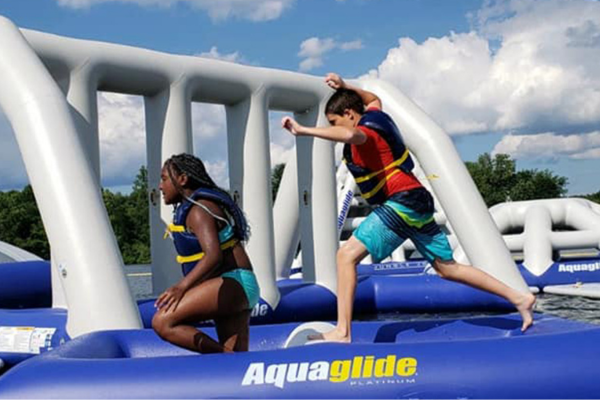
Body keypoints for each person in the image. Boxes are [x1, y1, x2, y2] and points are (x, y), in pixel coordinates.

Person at [281, 73, 536, 343]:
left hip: (402, 201)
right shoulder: (374, 114)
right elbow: (373, 98)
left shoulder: (365, 133)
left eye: (333, 121)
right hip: (417, 201)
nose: (333, 129)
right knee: (447, 269)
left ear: (349, 114)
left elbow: (349, 133)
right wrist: (345, 87)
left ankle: (342, 332)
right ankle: (520, 297)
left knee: (346, 256)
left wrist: (304, 131)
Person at [152, 153, 260, 353]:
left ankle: (224, 355)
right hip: (235, 286)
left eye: (164, 179)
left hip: (232, 284)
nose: (160, 186)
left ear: (183, 179)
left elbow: (213, 256)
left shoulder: (198, 211)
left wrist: (181, 287)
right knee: (235, 365)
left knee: (162, 322)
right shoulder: (195, 208)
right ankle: (228, 359)